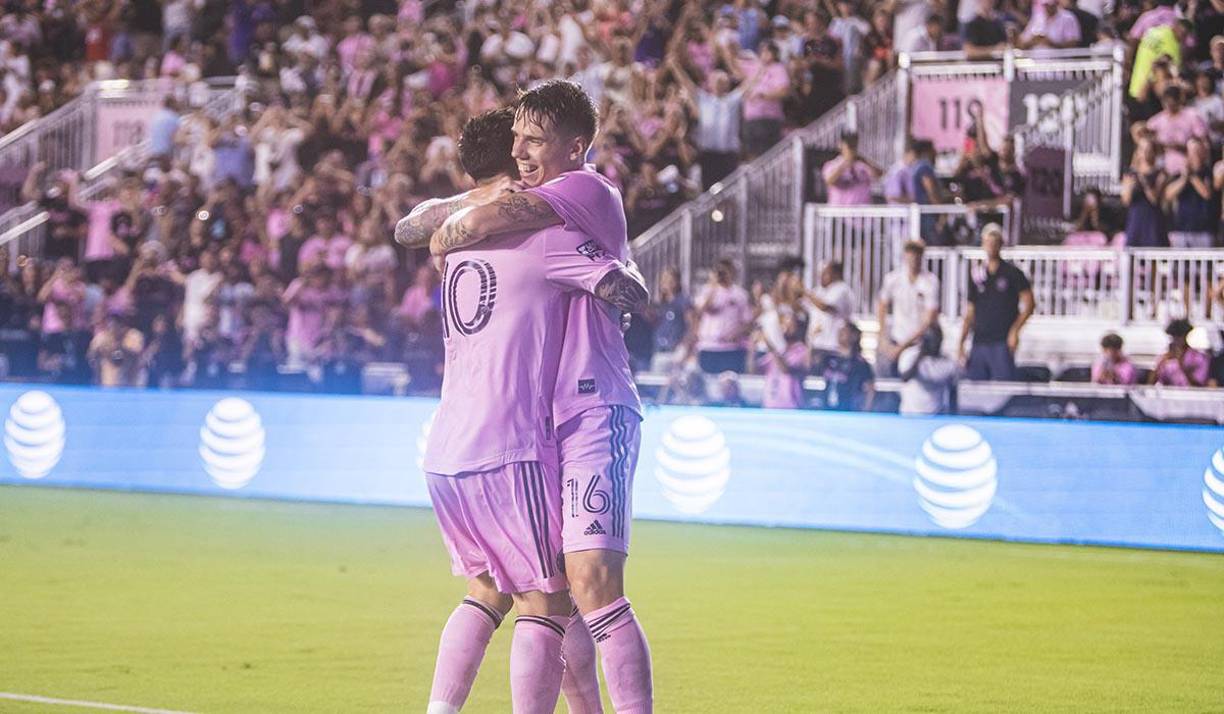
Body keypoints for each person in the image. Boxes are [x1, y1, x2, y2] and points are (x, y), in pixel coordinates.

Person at [399, 83, 655, 713]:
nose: (522, 153)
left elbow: (465, 219)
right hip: (542, 419)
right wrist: (454, 220)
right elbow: (427, 219)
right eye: (516, 140)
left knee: (588, 586)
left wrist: (452, 230)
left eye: (535, 141)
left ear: (574, 148)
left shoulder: (587, 194)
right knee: (556, 589)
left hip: (595, 408)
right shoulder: (531, 217)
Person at [958, 224, 1035, 381]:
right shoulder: (977, 274)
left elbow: (1029, 304)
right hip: (979, 341)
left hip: (1001, 341)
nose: (991, 246)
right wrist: (961, 341)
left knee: (1002, 387)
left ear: (1001, 244)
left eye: (995, 242)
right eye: (988, 242)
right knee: (975, 387)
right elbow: (970, 310)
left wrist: (1015, 331)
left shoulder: (1012, 273)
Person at [876, 240, 940, 377]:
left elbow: (929, 320)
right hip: (896, 339)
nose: (913, 260)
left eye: (917, 255)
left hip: (918, 344)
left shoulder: (930, 281)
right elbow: (882, 305)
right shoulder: (893, 278)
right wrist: (882, 337)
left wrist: (902, 347)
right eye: (910, 255)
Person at [693, 257, 753, 374]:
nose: (723, 275)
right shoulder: (706, 291)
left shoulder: (740, 294)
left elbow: (748, 322)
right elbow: (701, 310)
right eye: (720, 272)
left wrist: (736, 333)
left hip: (731, 348)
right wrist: (713, 286)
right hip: (708, 347)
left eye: (726, 271)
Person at [1164, 137, 1219, 249]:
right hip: (1180, 229)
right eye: (1192, 151)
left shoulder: (1209, 173)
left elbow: (1207, 193)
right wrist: (1184, 178)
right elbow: (1168, 195)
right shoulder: (1179, 174)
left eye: (1198, 150)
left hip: (1203, 231)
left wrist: (1192, 176)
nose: (1195, 154)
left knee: (1202, 266)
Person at [898, 324, 958, 416]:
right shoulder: (909, 355)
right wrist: (921, 356)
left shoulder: (947, 362)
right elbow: (905, 378)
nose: (933, 344)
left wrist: (953, 415)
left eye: (936, 340)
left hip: (936, 414)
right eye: (930, 340)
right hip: (910, 413)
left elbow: (953, 390)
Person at [756, 310, 810, 409]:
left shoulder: (802, 351)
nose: (786, 328)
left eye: (791, 325)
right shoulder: (779, 351)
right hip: (770, 406)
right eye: (784, 325)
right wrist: (752, 347)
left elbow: (785, 369)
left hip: (790, 406)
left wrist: (769, 343)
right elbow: (753, 370)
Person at [1121, 139, 1170, 248]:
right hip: (1136, 218)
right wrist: (1129, 186)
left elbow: (1154, 199)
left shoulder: (1160, 174)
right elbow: (1125, 200)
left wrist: (1143, 180)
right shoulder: (1130, 174)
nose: (1145, 152)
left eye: (1149, 149)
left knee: (1155, 254)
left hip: (1153, 219)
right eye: (1142, 149)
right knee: (1132, 254)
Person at [805, 260, 854, 366]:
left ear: (836, 274)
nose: (821, 277)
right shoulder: (818, 291)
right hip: (816, 345)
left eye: (825, 273)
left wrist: (805, 292)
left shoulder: (842, 289)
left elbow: (826, 307)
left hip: (833, 347)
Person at [820, 322, 874, 411]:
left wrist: (866, 409)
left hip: (850, 409)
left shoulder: (859, 362)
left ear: (854, 336)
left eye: (845, 331)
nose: (840, 333)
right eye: (840, 331)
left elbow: (870, 387)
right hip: (828, 409)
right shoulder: (829, 358)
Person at [821, 133, 881, 205]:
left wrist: (865, 161)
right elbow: (829, 181)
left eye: (854, 145)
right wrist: (845, 164)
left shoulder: (862, 165)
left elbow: (880, 175)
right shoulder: (832, 165)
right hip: (840, 212)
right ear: (840, 145)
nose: (851, 149)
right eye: (849, 145)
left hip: (861, 213)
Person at [1150, 319, 1211, 387]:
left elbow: (1198, 386)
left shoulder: (1198, 358)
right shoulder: (1166, 359)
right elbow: (1152, 383)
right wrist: (1160, 363)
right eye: (1173, 336)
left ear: (1185, 336)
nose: (1175, 340)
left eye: (1179, 336)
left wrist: (1180, 362)